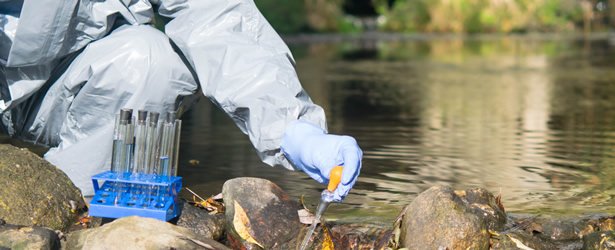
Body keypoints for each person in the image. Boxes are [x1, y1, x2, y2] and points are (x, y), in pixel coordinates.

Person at [0, 0, 362, 202]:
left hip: (62, 89)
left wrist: (291, 126)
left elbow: (214, 15)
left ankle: (75, 215)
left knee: (152, 60)